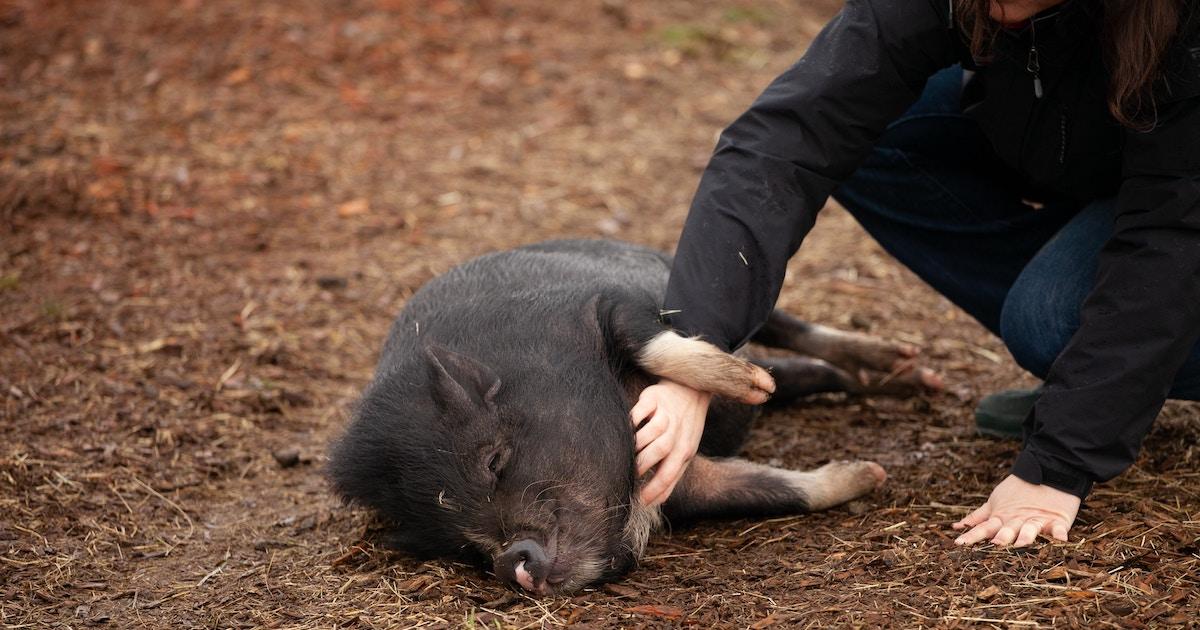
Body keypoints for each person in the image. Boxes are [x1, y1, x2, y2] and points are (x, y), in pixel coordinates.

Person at [630, 0, 1200, 547]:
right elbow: (786, 138)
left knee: (1050, 320)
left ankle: (1109, 371)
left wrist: (1061, 459)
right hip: (1098, 145)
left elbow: (1171, 235)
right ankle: (1100, 368)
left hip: (1182, 186)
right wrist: (695, 354)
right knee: (877, 130)